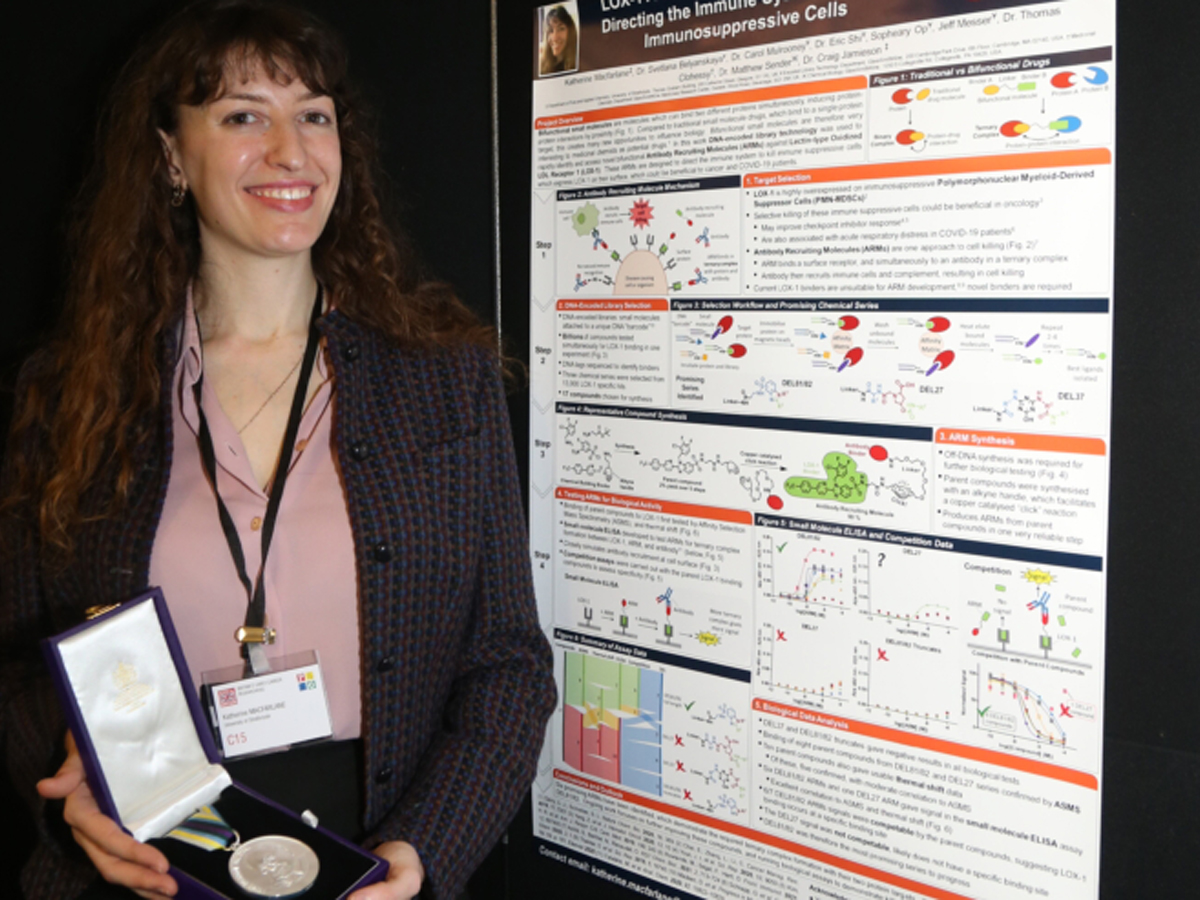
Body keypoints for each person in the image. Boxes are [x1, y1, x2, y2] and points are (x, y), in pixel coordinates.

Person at [0, 2, 555, 899]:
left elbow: (509, 666)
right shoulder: (72, 396)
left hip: (371, 862)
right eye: (242, 116)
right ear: (170, 155)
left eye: (313, 115)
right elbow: (19, 664)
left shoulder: (443, 380)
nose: (291, 151)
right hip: (146, 872)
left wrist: (426, 851)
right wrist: (73, 788)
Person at [539, 5, 578, 75]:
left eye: (561, 29)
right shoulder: (541, 66)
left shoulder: (580, 62)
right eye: (551, 30)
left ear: (570, 32)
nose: (555, 37)